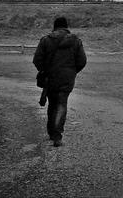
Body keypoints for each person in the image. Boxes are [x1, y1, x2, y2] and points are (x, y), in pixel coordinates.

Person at [33, 16, 87, 147]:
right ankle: (57, 136)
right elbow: (82, 61)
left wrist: (45, 70)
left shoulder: (46, 40)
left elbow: (37, 60)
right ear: (66, 26)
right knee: (61, 104)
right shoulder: (76, 41)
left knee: (52, 104)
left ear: (55, 26)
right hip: (67, 79)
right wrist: (72, 72)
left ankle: (51, 132)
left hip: (50, 78)